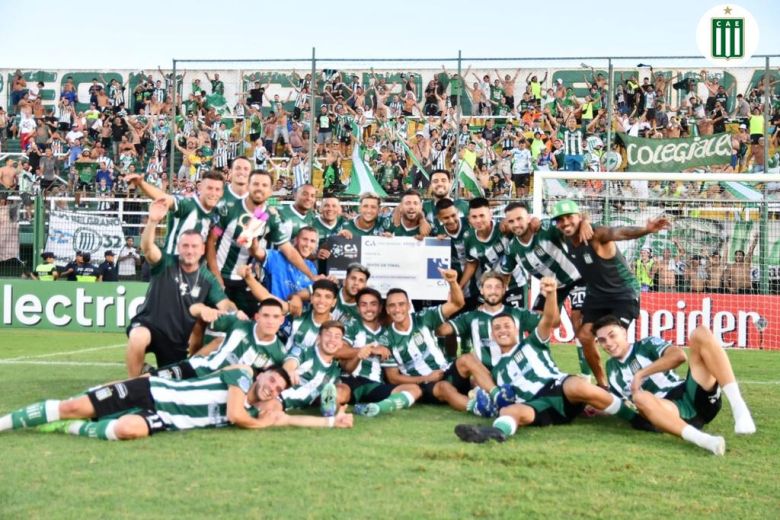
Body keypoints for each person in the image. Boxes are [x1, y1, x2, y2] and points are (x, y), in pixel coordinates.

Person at [454, 278, 638, 443]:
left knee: (579, 385)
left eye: (507, 326)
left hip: (559, 389)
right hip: (537, 404)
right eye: (497, 328)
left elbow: (548, 318)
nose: (502, 330)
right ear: (493, 335)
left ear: (516, 329)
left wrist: (551, 294)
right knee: (509, 412)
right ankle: (495, 433)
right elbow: (483, 381)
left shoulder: (533, 341)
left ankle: (636, 419)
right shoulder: (496, 371)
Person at [0, 366, 352, 441]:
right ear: (262, 375)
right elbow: (234, 414)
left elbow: (288, 422)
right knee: (75, 404)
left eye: (279, 389)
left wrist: (334, 422)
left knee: (127, 430)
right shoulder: (241, 375)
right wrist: (260, 422)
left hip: (164, 419)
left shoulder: (260, 407)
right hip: (150, 390)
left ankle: (68, 428)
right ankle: (6, 423)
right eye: (273, 380)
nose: (273, 388)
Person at [594, 315, 756, 455]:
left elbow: (679, 356)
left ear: (623, 332)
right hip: (668, 411)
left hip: (689, 394)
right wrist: (594, 407)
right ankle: (706, 441)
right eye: (602, 340)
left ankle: (739, 408)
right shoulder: (611, 368)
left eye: (612, 336)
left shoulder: (646, 345)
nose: (608, 343)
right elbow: (619, 402)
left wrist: (641, 374)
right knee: (640, 398)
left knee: (701, 333)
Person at [553, 200, 671, 386]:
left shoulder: (596, 234)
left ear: (577, 216)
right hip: (597, 294)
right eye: (560, 220)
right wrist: (583, 219)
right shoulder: (566, 236)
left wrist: (646, 229)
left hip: (622, 293)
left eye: (569, 217)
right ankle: (603, 385)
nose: (565, 222)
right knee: (584, 336)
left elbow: (619, 232)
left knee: (615, 340)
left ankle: (643, 382)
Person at [125, 199, 237, 377]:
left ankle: (149, 373)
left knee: (172, 382)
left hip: (177, 341)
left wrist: (231, 313)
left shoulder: (208, 279)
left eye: (194, 247)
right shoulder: (166, 262)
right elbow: (147, 248)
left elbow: (225, 304)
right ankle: (133, 386)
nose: (190, 251)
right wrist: (153, 221)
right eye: (185, 246)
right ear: (179, 247)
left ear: (202, 250)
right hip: (149, 326)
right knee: (138, 336)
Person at [376, 268, 497, 414]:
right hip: (425, 384)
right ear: (387, 310)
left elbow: (457, 304)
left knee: (467, 358)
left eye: (401, 304)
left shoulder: (422, 318)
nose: (397, 309)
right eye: (392, 306)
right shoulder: (385, 338)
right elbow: (393, 378)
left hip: (445, 371)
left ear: (408, 306)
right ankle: (482, 409)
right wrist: (426, 377)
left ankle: (498, 395)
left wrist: (452, 282)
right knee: (444, 387)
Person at [498, 202, 595, 377]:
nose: (516, 224)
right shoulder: (512, 248)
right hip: (552, 288)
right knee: (535, 323)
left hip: (576, 278)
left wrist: (586, 220)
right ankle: (546, 370)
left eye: (520, 218)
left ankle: (586, 377)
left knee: (577, 322)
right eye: (511, 221)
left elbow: (572, 221)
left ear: (529, 218)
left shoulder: (545, 230)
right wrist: (496, 297)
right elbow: (505, 275)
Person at [206, 169, 315, 316]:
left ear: (270, 191)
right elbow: (212, 241)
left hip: (247, 279)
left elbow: (288, 250)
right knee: (215, 324)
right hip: (220, 276)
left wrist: (311, 275)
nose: (259, 188)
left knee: (248, 324)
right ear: (248, 186)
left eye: (264, 185)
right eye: (255, 183)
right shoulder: (228, 209)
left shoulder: (270, 217)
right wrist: (215, 275)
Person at [152, 298, 287, 381]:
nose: (270, 321)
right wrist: (206, 310)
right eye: (266, 316)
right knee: (151, 380)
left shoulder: (279, 353)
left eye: (275, 317)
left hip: (222, 389)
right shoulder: (239, 323)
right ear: (257, 317)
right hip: (201, 369)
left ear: (282, 320)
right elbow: (195, 311)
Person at [340, 288, 422, 413]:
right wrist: (368, 350)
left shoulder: (388, 333)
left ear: (380, 308)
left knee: (414, 389)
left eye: (373, 304)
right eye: (363, 305)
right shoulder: (352, 326)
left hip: (375, 385)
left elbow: (392, 373)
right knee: (341, 393)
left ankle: (376, 408)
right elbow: (344, 358)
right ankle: (329, 407)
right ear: (357, 308)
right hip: (352, 380)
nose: (368, 309)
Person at [126, 169, 225, 255]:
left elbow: (217, 233)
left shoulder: (216, 215)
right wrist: (142, 184)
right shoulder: (186, 204)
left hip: (197, 269)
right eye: (209, 188)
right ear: (201, 188)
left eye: (217, 189)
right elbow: (163, 197)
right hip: (173, 266)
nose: (213, 193)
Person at [281, 320, 351, 411]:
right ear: (319, 338)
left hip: (308, 403)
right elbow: (290, 364)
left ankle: (330, 409)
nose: (332, 340)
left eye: (337, 337)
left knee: (344, 388)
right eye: (328, 335)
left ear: (341, 343)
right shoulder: (304, 351)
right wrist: (289, 371)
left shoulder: (335, 370)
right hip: (279, 398)